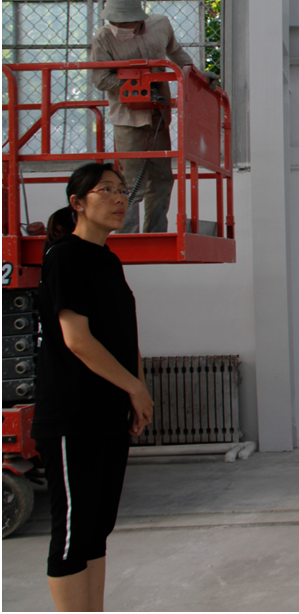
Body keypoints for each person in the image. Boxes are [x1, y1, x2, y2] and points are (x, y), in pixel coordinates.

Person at [32, 163, 155, 611]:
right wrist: (134, 389)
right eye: (106, 190)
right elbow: (77, 340)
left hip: (108, 412)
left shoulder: (108, 259)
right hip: (73, 416)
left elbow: (124, 334)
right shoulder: (65, 256)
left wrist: (137, 389)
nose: (120, 198)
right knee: (72, 532)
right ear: (77, 203)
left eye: (122, 190)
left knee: (96, 528)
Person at [91, 0, 194, 234]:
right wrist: (136, 84)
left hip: (158, 116)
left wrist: (195, 73)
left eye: (124, 22)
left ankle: (155, 233)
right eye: (114, 22)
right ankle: (127, 235)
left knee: (162, 179)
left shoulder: (161, 25)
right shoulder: (103, 38)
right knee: (130, 183)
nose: (119, 27)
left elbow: (175, 52)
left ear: (138, 19)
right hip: (128, 118)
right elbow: (101, 79)